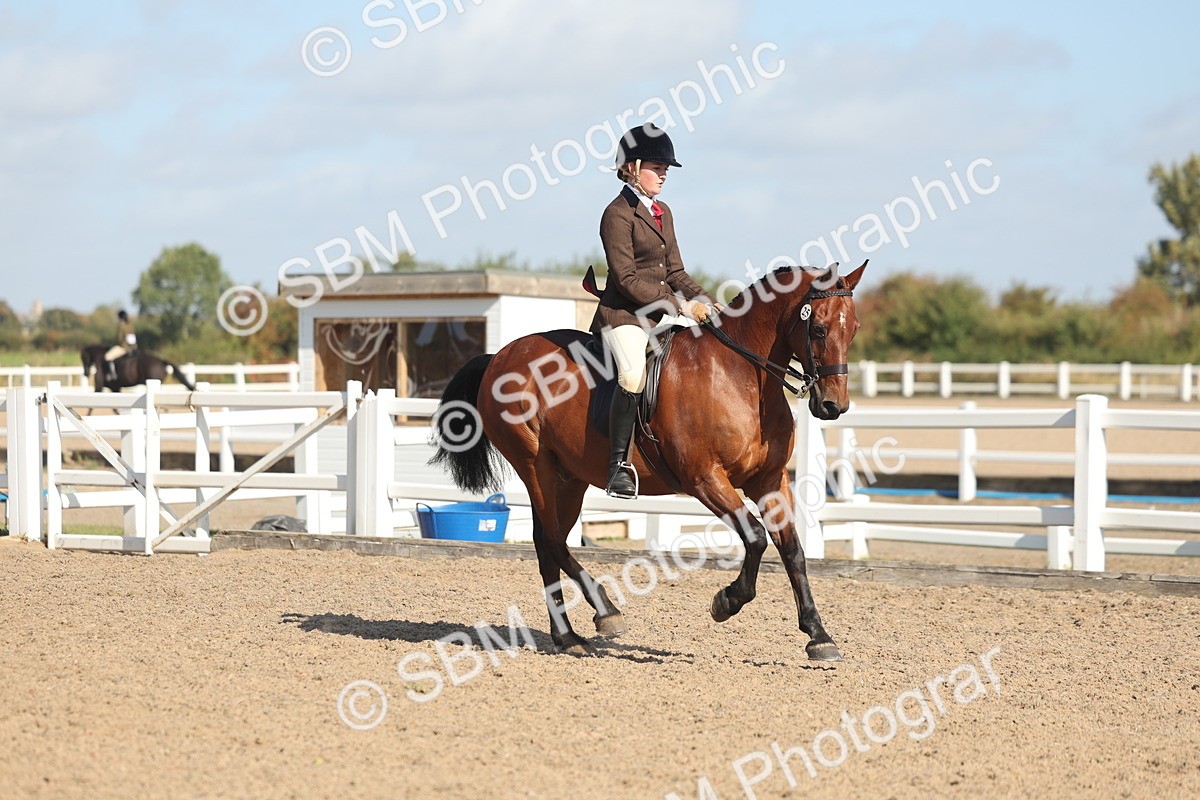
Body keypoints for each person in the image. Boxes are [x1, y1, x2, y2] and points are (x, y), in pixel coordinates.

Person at [588, 123, 719, 499]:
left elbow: (675, 272)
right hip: (624, 317)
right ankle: (618, 466)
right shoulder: (616, 214)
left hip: (657, 317)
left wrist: (709, 302)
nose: (664, 174)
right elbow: (627, 279)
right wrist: (680, 306)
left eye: (666, 169)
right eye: (657, 167)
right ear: (632, 168)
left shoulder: (664, 212)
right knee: (632, 376)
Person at [104, 310, 137, 383]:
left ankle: (112, 374)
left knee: (107, 357)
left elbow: (119, 338)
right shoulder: (130, 325)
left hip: (123, 347)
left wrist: (115, 343)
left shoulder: (121, 325)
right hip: (133, 347)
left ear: (120, 317)